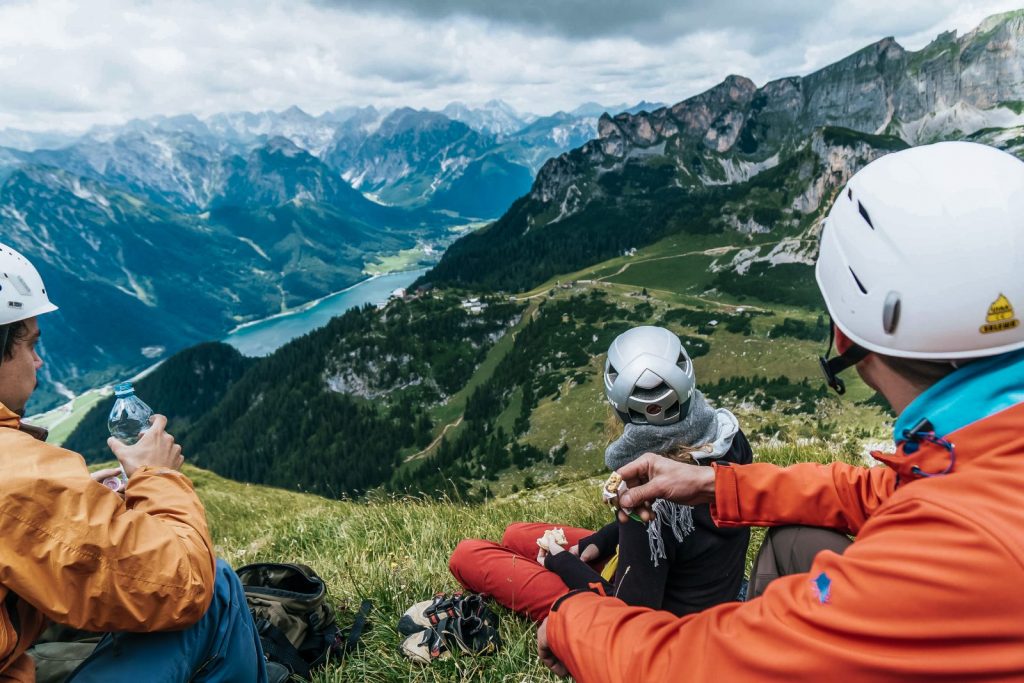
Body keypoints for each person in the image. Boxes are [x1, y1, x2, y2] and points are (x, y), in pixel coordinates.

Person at [536, 141, 1024, 682]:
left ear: (846, 336)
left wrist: (573, 618)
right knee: (794, 540)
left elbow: (698, 667)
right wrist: (714, 486)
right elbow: (868, 494)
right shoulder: (973, 456)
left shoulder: (946, 551)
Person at [0, 243, 267, 682]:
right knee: (215, 587)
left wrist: (71, 506)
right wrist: (157, 476)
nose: (38, 361)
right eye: (29, 343)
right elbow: (183, 584)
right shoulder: (13, 477)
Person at [448, 327, 751, 621]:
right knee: (516, 534)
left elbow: (631, 617)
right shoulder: (728, 439)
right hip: (709, 590)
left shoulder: (646, 500)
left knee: (467, 555)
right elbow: (684, 535)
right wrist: (602, 540)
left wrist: (560, 561)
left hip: (668, 625)